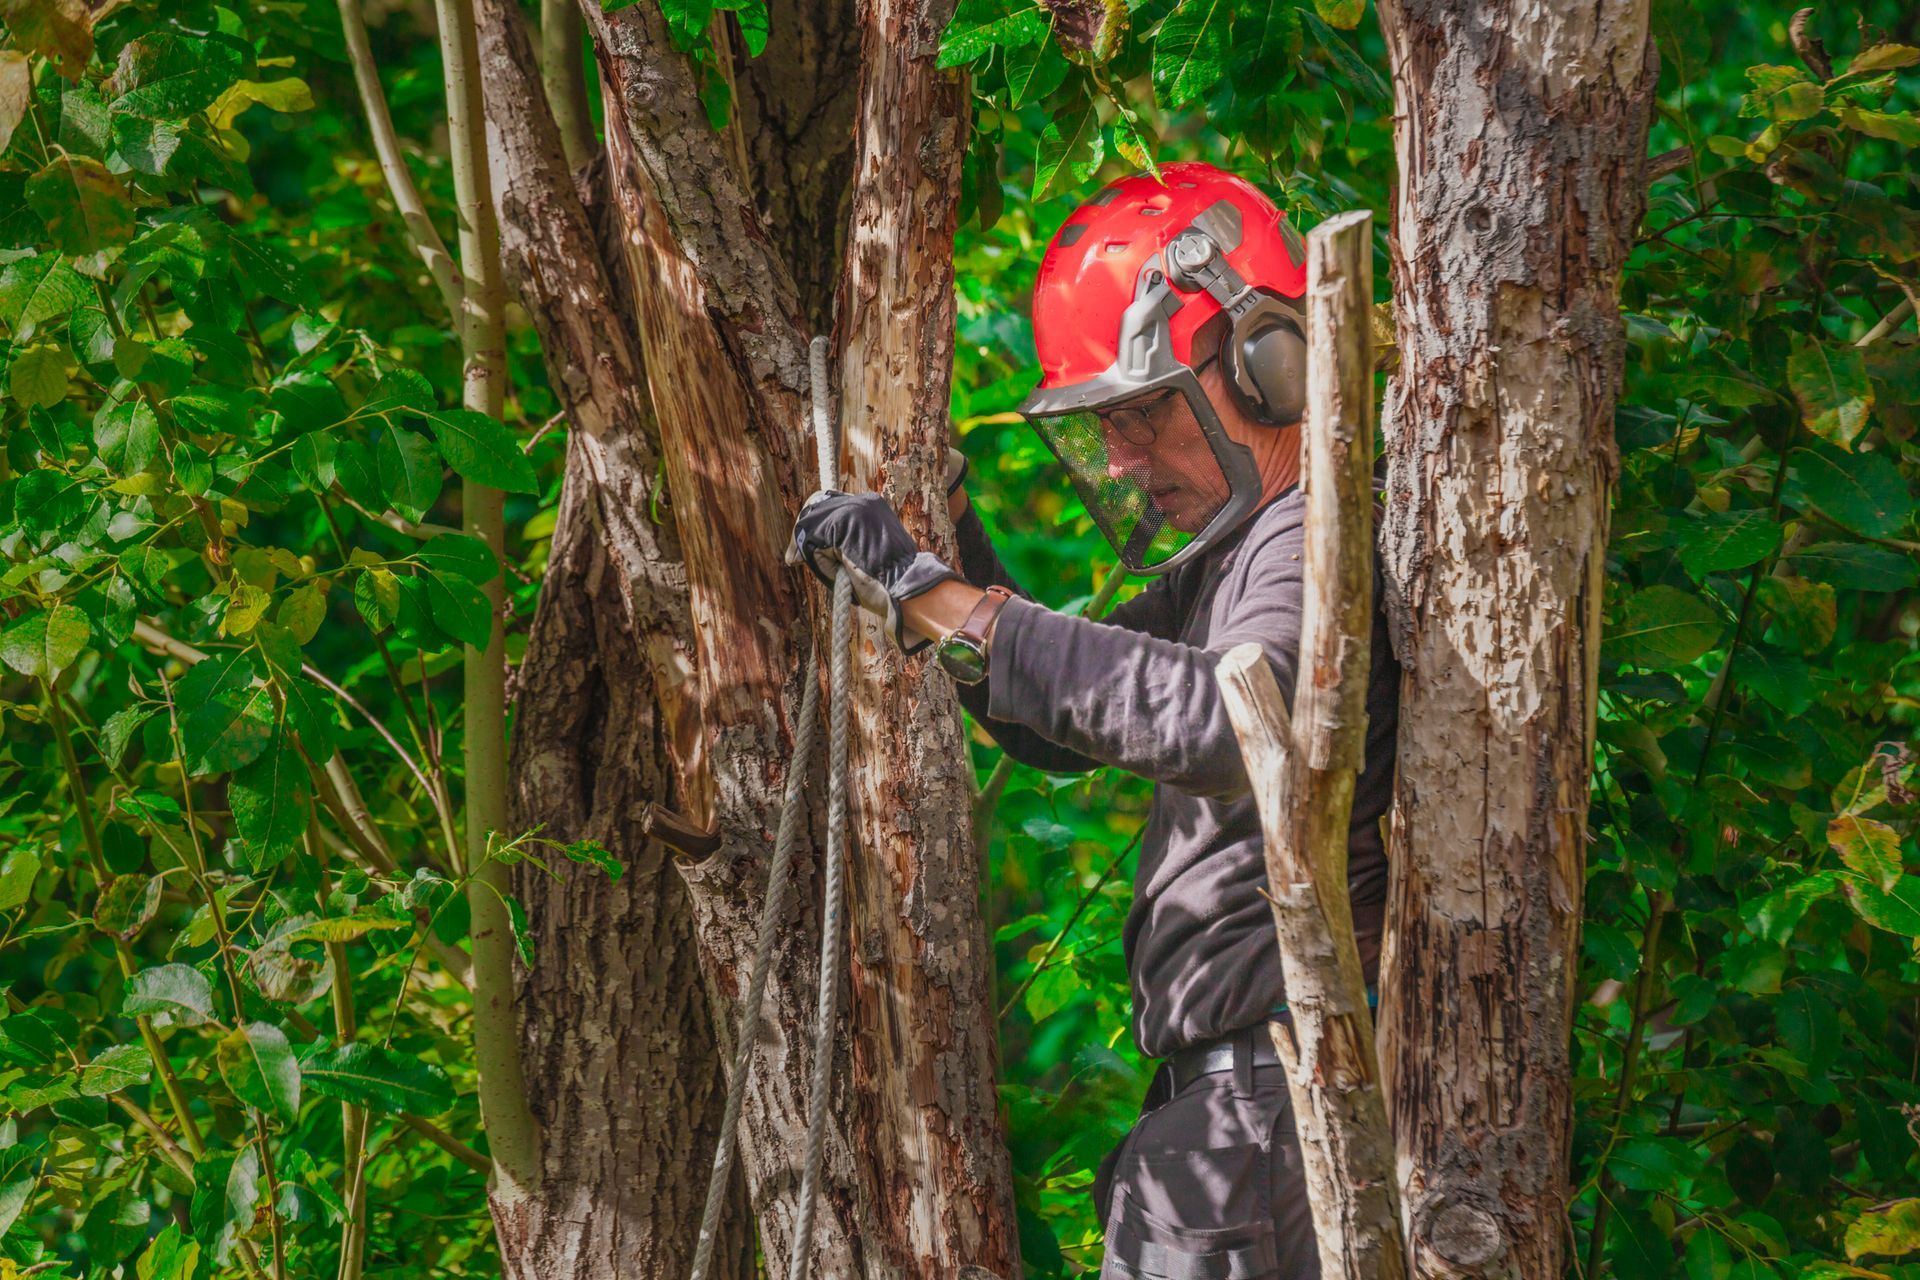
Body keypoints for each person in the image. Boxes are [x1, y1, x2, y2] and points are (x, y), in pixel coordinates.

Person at [786, 160, 1399, 1280]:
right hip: (1232, 1118)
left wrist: (940, 598)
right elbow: (1053, 723)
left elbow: (1230, 723)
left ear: (1268, 361)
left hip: (1272, 1104)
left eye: (1142, 411)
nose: (1119, 458)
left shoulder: (1314, 533)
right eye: (1102, 424)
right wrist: (954, 547)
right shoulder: (1241, 548)